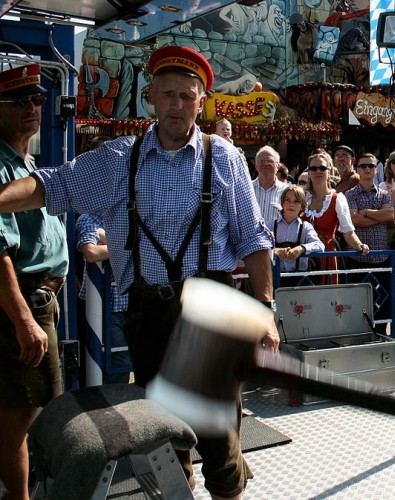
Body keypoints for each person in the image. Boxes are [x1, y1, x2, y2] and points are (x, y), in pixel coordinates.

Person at [0, 47, 280, 500]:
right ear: (150, 96)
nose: (176, 105)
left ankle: (229, 489)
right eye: (167, 94)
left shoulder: (224, 158)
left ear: (201, 100)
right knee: (164, 437)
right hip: (148, 320)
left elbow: (254, 239)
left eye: (187, 96)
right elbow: (53, 184)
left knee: (219, 434)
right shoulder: (118, 159)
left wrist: (266, 309)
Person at [0, 63, 68, 500]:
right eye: (20, 100)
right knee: (16, 416)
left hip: (39, 299)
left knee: (26, 410)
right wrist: (24, 319)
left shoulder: (23, 161)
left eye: (38, 99)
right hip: (22, 305)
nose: (33, 107)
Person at [76, 213, 131, 384]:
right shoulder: (89, 218)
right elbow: (91, 252)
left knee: (131, 360)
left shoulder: (131, 214)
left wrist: (106, 239)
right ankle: (111, 406)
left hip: (133, 305)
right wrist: (130, 247)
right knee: (117, 362)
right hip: (106, 307)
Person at [345, 153, 395, 333]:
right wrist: (377, 216)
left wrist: (365, 212)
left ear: (376, 169)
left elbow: (390, 215)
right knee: (359, 302)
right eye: (363, 166)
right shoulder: (349, 194)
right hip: (358, 258)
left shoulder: (384, 194)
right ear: (357, 169)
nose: (367, 169)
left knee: (384, 301)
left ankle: (381, 335)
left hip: (381, 258)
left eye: (371, 166)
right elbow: (354, 220)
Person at [303, 151, 369, 284]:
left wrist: (359, 245)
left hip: (326, 254)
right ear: (309, 172)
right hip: (303, 252)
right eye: (313, 168)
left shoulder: (337, 198)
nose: (318, 171)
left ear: (329, 171)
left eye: (322, 168)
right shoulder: (302, 197)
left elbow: (348, 232)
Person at [268, 186, 324, 288]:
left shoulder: (306, 227)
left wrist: (301, 248)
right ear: (282, 203)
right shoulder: (271, 225)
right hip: (275, 279)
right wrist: (274, 251)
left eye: (296, 201)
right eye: (287, 200)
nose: (291, 204)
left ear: (302, 206)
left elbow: (320, 245)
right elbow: (260, 247)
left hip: (300, 280)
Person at [252, 145, 288, 224]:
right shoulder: (247, 189)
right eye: (261, 161)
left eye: (270, 161)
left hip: (277, 236)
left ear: (277, 166)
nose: (266, 164)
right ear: (256, 165)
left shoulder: (287, 191)